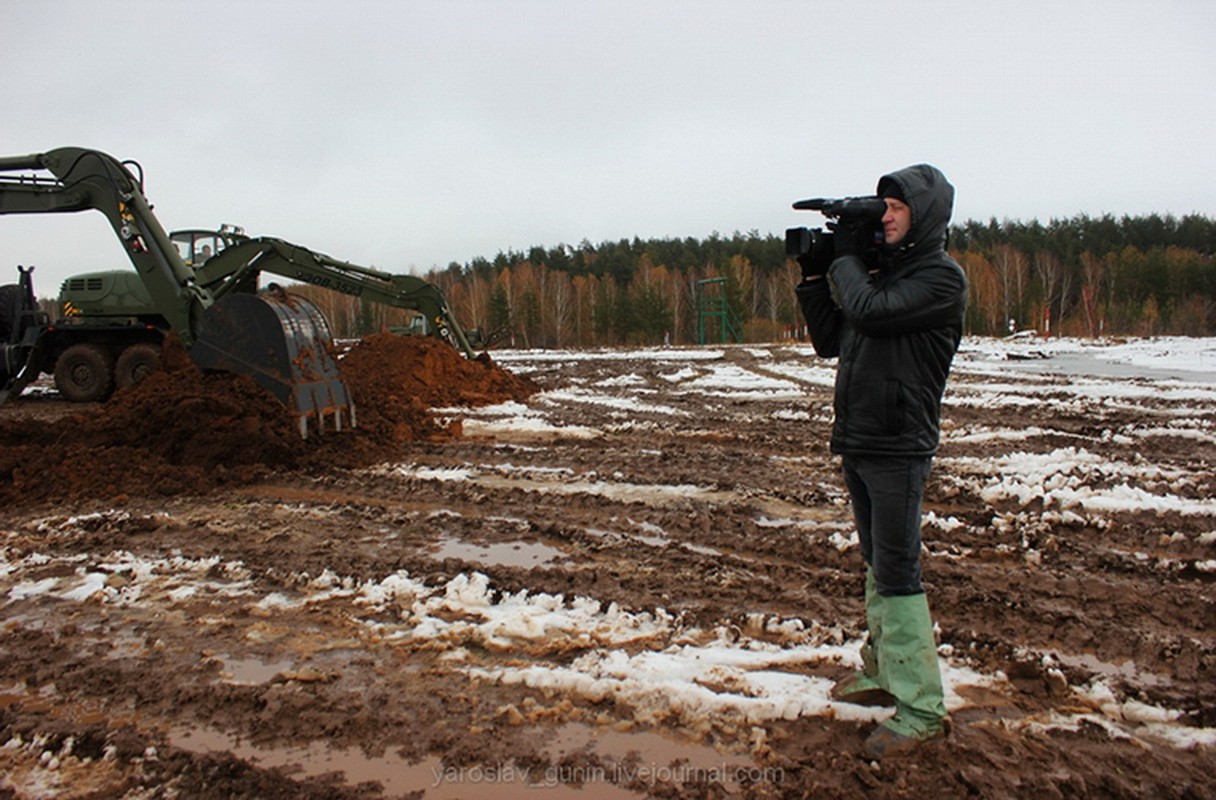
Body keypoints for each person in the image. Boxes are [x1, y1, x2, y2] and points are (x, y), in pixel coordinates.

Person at [795, 164, 967, 758]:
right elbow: (834, 338)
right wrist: (816, 274)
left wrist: (845, 257)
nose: (885, 216)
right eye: (883, 206)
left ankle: (920, 709)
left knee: (898, 570)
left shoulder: (939, 280)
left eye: (895, 207)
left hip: (899, 444)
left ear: (923, 217)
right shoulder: (884, 280)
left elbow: (868, 311)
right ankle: (882, 672)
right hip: (863, 440)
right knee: (876, 563)